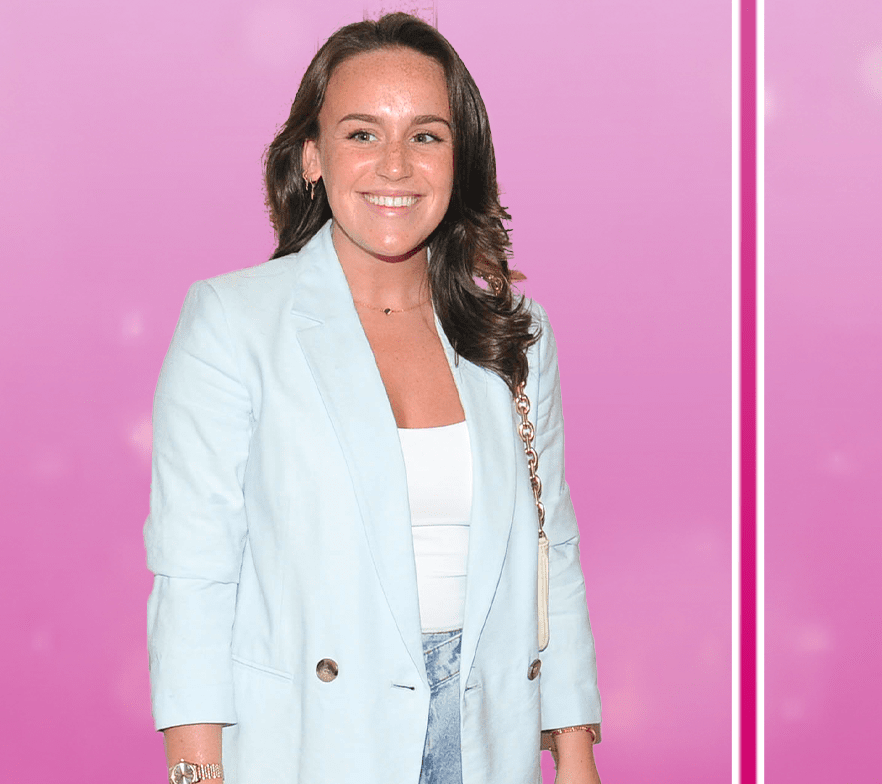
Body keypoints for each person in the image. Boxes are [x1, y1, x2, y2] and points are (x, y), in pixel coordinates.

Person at [145, 13, 602, 784]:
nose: (394, 165)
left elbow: (549, 552)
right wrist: (195, 774)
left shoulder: (514, 334)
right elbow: (195, 570)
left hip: (489, 732)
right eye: (362, 134)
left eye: (426, 136)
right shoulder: (236, 322)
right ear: (313, 155)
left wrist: (577, 757)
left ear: (461, 160)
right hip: (312, 738)